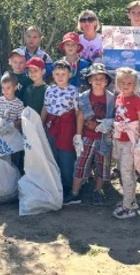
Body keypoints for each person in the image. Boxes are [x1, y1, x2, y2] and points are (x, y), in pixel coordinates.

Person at [67, 63, 115, 205]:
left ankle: (97, 191)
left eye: (101, 78)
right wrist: (78, 135)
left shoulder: (112, 98)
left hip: (105, 137)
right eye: (95, 78)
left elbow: (116, 116)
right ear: (89, 80)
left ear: (106, 81)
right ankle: (74, 193)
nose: (98, 81)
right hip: (87, 137)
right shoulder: (83, 97)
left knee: (102, 165)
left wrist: (107, 123)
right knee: (80, 164)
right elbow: (80, 116)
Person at [41, 59, 83, 203]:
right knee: (52, 155)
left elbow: (78, 112)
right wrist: (40, 124)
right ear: (53, 74)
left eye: (63, 74)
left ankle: (67, 187)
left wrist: (78, 133)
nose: (60, 77)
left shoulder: (74, 91)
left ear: (69, 75)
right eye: (57, 73)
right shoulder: (49, 89)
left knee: (66, 156)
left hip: (67, 127)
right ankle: (54, 185)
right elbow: (45, 107)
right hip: (51, 126)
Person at [112, 67, 140, 219]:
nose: (125, 86)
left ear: (135, 84)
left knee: (126, 173)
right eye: (122, 82)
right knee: (126, 171)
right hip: (119, 140)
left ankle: (127, 206)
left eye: (129, 83)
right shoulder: (118, 98)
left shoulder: (138, 101)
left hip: (131, 142)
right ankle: (131, 200)